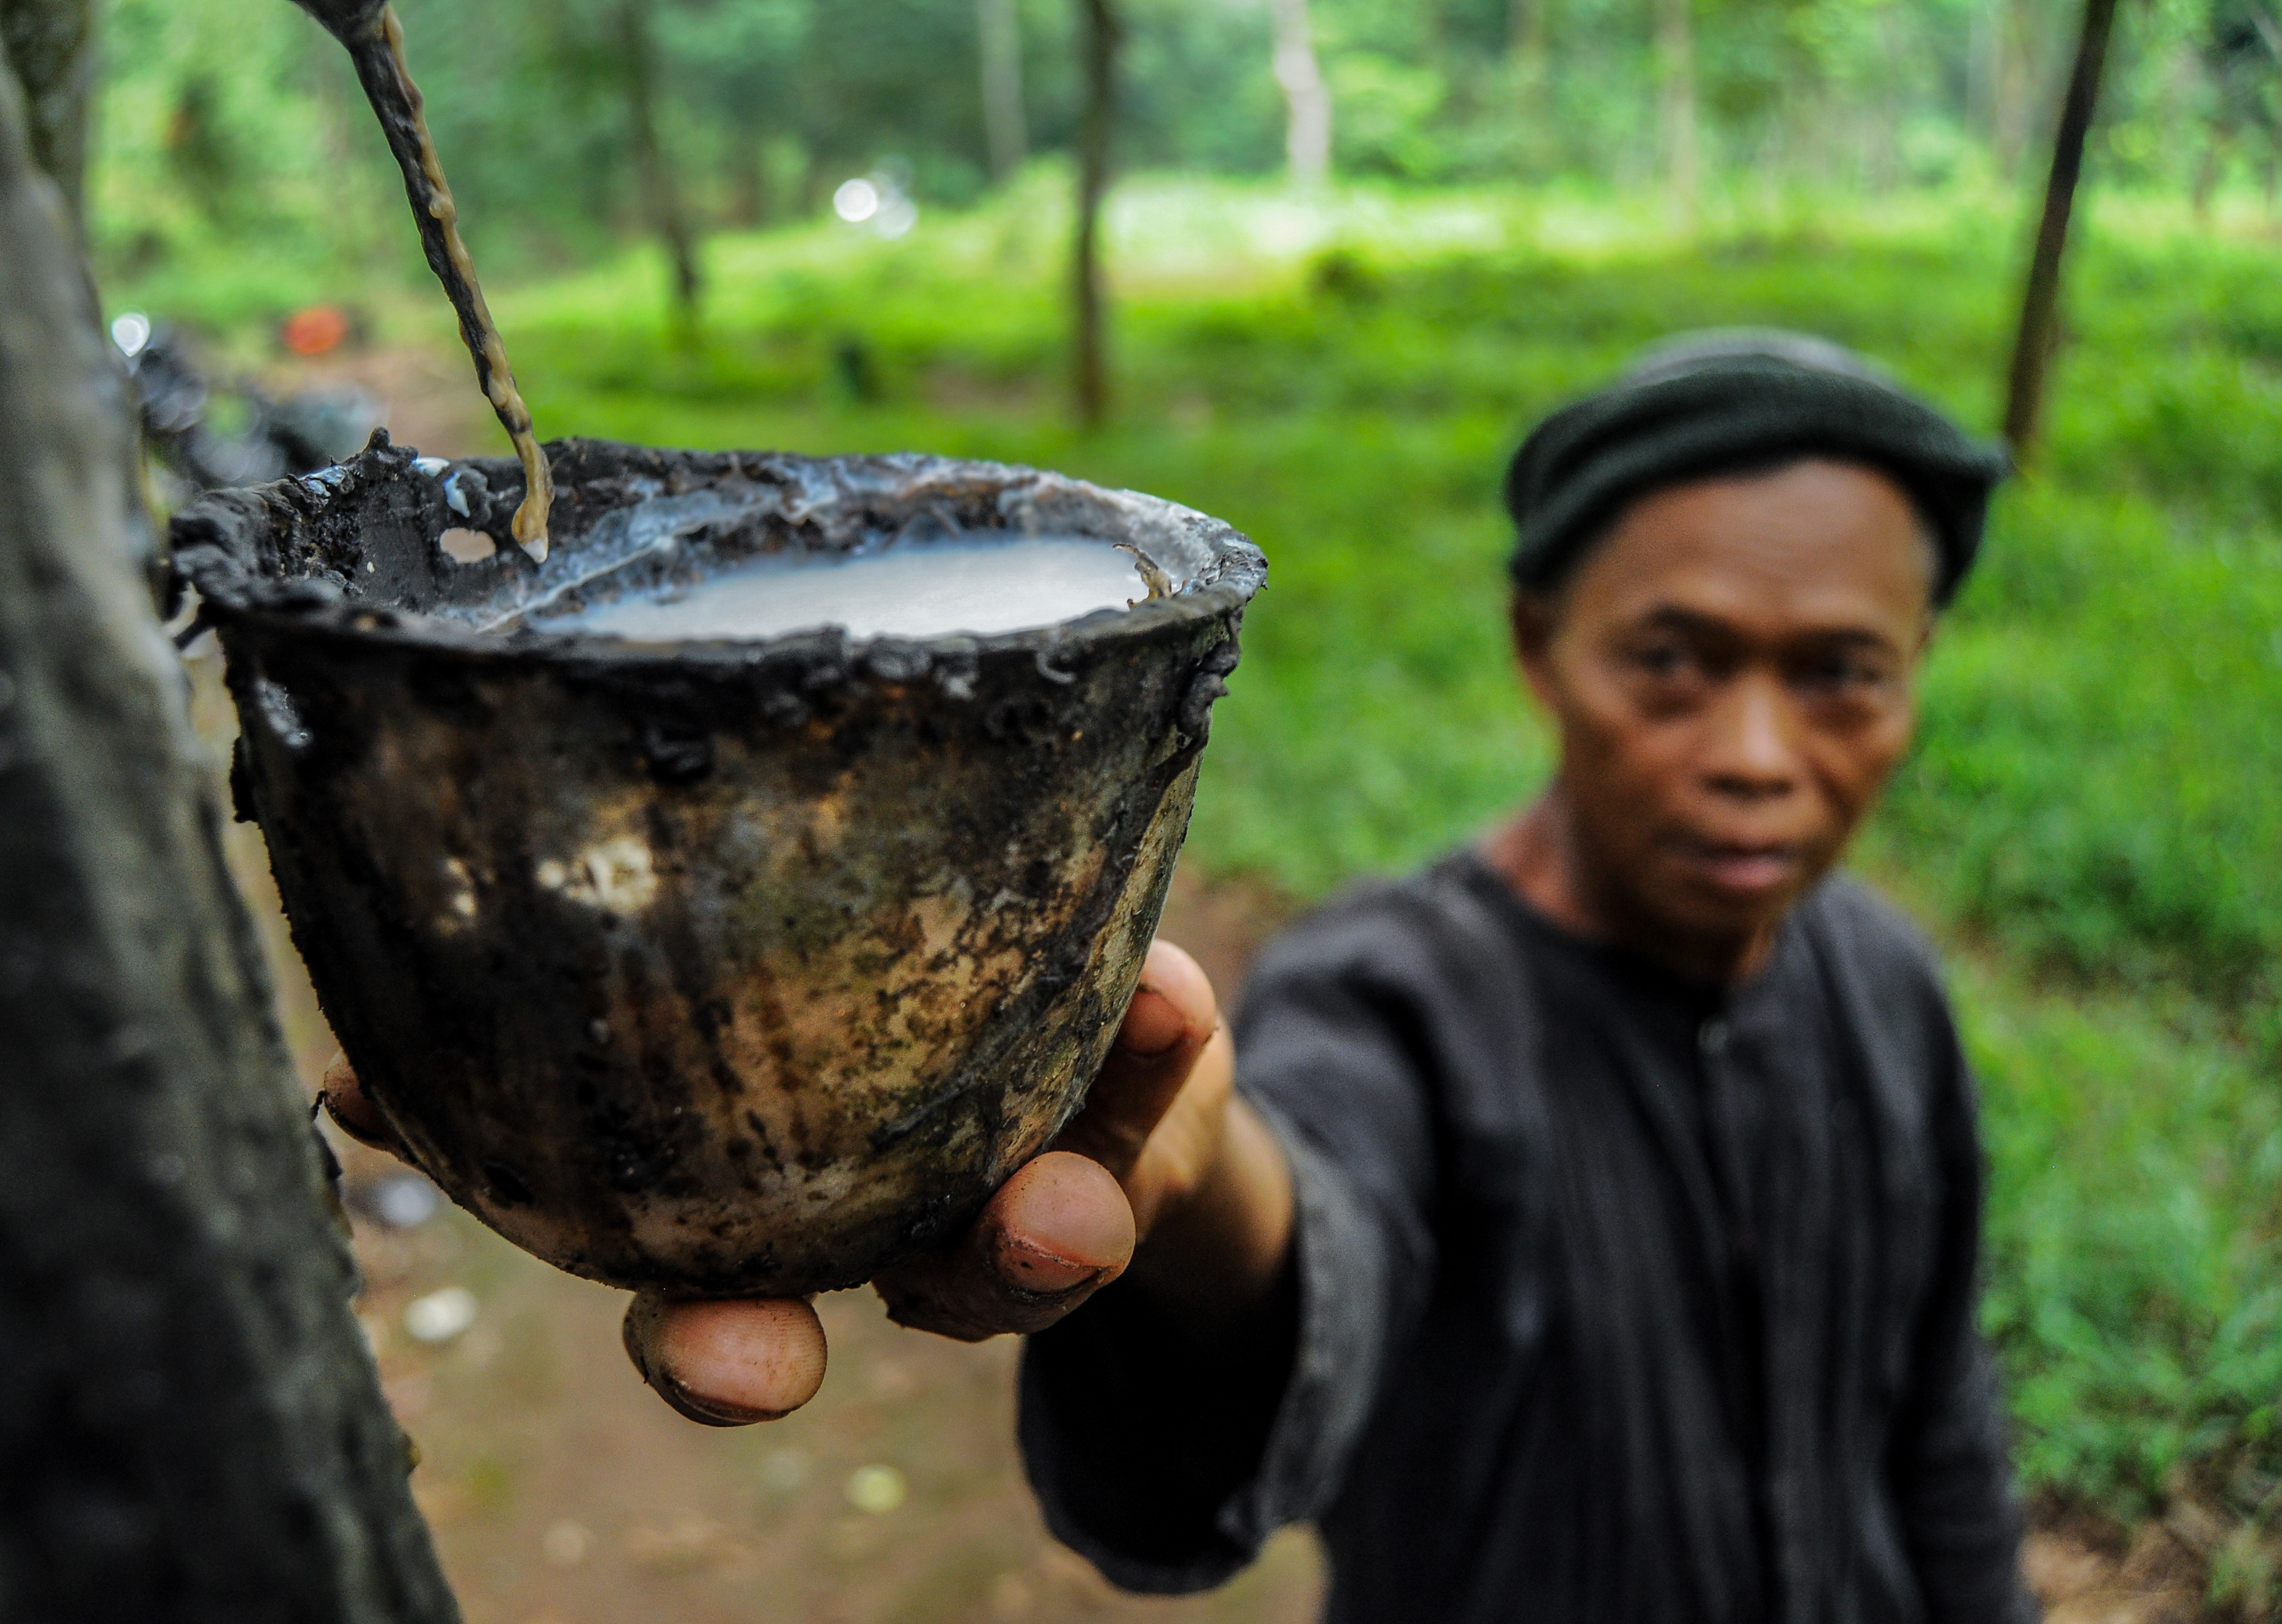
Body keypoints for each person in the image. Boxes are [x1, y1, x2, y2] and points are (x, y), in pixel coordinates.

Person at [328, 331, 2034, 1622]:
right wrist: (1192, 1168)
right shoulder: (1395, 994)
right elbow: (1321, 1243)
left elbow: (1938, 1418)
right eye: (1674, 660)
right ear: (1539, 646)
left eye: (1841, 677)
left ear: (1921, 678)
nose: (1753, 751)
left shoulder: (1885, 991)